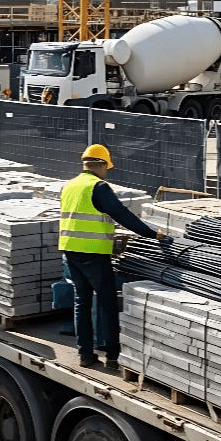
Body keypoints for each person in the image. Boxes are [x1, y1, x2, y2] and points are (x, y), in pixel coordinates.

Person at [60, 144, 164, 368]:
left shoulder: (69, 186)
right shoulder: (98, 187)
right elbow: (121, 213)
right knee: (107, 302)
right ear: (102, 165)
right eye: (106, 167)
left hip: (70, 250)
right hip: (94, 252)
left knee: (82, 302)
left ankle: (85, 355)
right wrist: (150, 233)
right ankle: (113, 356)